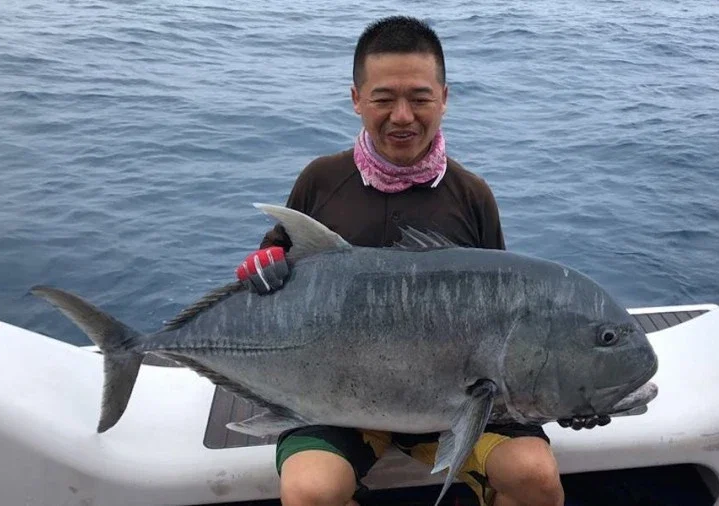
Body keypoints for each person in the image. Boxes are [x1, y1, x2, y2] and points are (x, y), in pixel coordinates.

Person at [235, 16, 567, 506]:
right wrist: (263, 265)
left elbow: (503, 318)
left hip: (452, 401)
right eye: (384, 99)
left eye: (420, 98)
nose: (403, 116)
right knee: (309, 490)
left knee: (536, 479)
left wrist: (577, 391)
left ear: (445, 98)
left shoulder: (471, 195)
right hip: (336, 397)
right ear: (356, 99)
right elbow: (278, 259)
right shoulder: (321, 181)